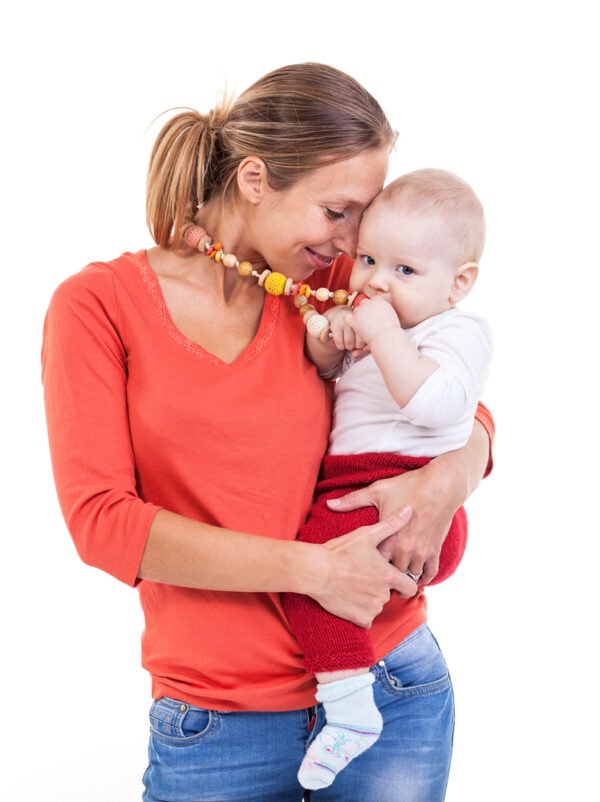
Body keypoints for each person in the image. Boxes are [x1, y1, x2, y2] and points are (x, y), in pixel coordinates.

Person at [41, 63, 494, 802]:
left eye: (365, 216)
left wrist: (450, 476)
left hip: (393, 683)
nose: (355, 239)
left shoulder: (343, 283)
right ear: (255, 179)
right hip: (222, 720)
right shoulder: (98, 306)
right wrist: (311, 570)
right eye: (337, 211)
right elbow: (102, 524)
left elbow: (456, 392)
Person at [282, 167, 493, 790]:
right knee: (312, 579)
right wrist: (335, 341)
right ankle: (348, 701)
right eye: (370, 258)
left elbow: (439, 408)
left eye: (404, 270)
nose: (376, 280)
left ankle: (349, 709)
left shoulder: (459, 331)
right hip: (357, 483)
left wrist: (379, 333)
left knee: (308, 580)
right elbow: (325, 374)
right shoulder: (379, 324)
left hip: (400, 491)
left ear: (458, 284)